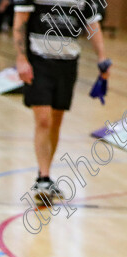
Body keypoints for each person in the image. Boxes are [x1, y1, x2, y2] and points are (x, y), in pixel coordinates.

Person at [13, 0, 110, 203]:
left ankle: (45, 175)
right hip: (38, 61)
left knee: (56, 120)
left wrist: (102, 57)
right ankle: (44, 177)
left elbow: (92, 23)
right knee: (44, 120)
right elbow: (20, 19)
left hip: (67, 64)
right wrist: (21, 58)